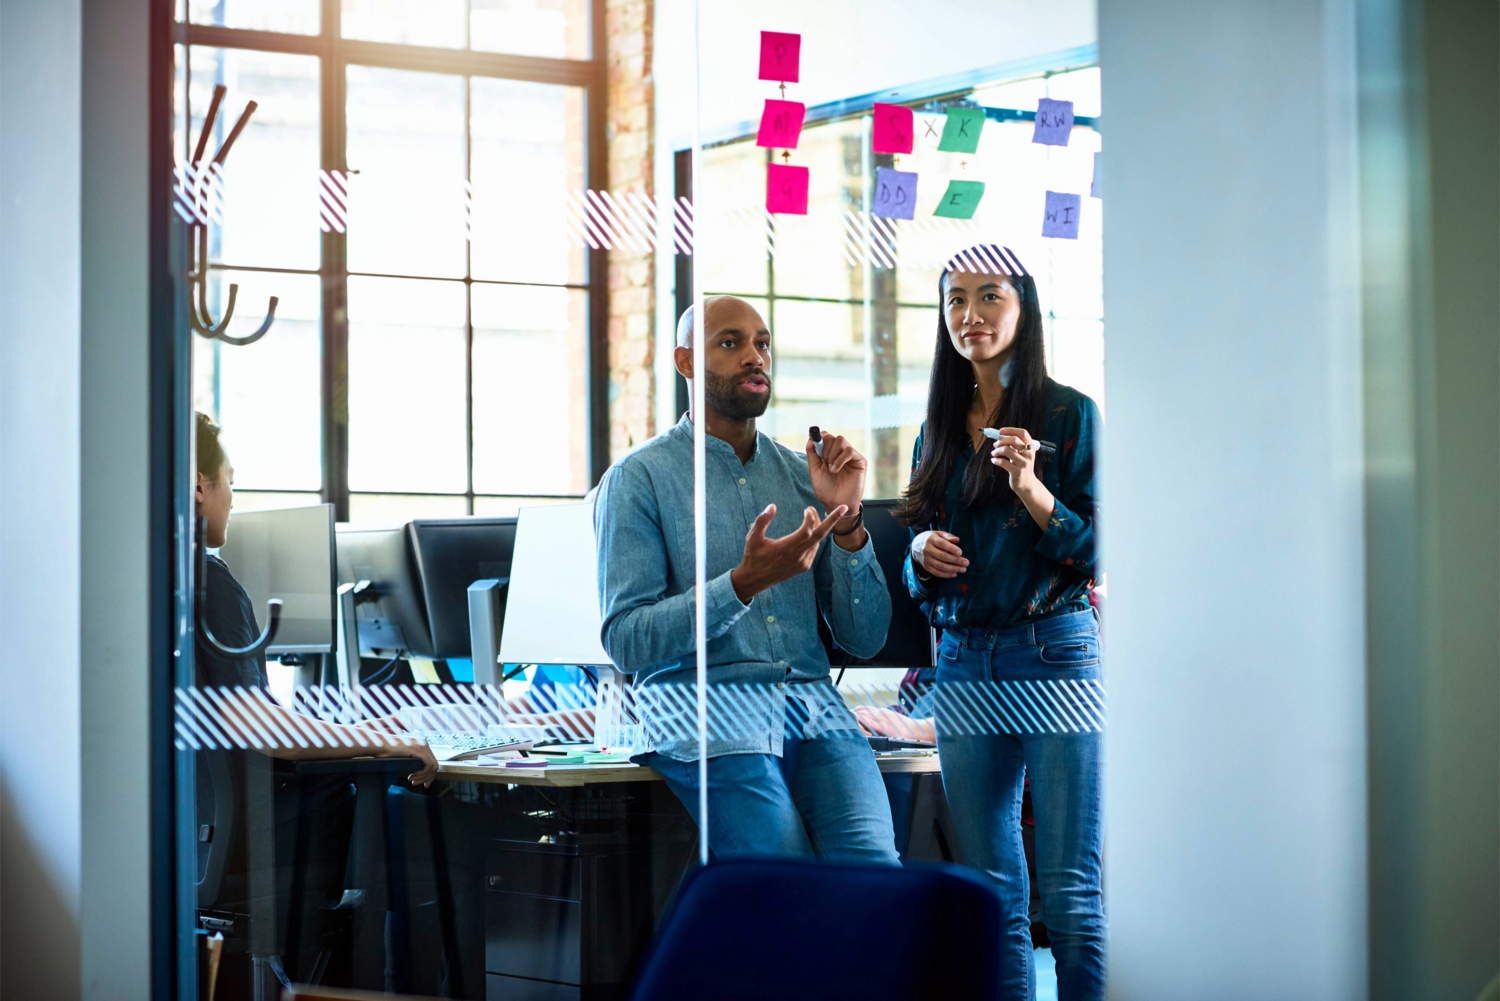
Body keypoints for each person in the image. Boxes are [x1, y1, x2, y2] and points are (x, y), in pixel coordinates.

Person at [594, 296, 900, 863]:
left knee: (875, 875)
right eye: (730, 343)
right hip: (705, 709)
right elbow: (627, 641)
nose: (754, 357)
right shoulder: (638, 480)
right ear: (686, 362)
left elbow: (866, 639)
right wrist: (739, 585)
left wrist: (850, 522)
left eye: (762, 343)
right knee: (787, 879)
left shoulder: (803, 475)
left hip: (812, 708)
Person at [894, 246, 1104, 999]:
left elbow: (1097, 549)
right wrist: (920, 550)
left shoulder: (1070, 414)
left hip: (1054, 651)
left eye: (989, 297)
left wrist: (1029, 486)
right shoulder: (938, 428)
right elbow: (920, 583)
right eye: (954, 301)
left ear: (1024, 309)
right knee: (991, 895)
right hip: (964, 662)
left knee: (1072, 892)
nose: (969, 315)